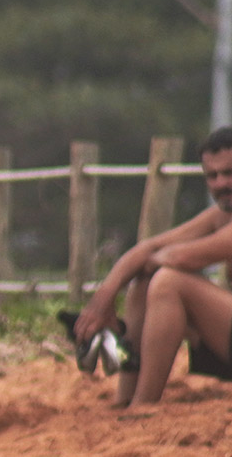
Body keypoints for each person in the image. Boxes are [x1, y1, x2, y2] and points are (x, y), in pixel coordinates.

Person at [73, 125, 232, 408]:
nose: (221, 184)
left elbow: (183, 258)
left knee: (169, 280)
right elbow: (147, 248)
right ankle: (125, 398)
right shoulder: (220, 216)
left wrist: (152, 259)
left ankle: (143, 405)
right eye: (212, 175)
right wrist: (102, 300)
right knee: (144, 283)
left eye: (229, 173)